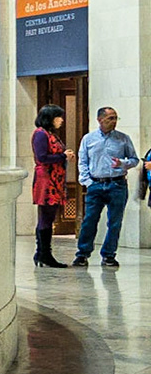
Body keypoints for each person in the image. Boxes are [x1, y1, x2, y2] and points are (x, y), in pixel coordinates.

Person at [74, 107, 139, 267]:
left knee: (115, 222)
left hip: (117, 184)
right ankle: (82, 254)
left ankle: (109, 254)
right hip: (96, 184)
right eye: (110, 118)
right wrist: (88, 182)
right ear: (100, 120)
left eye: (116, 118)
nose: (114, 121)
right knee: (90, 220)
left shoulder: (123, 139)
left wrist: (122, 163)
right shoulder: (88, 139)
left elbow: (134, 159)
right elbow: (82, 162)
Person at [31, 104, 68, 268]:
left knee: (49, 217)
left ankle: (42, 253)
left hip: (55, 179)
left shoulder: (51, 134)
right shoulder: (40, 134)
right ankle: (44, 253)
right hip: (46, 180)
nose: (61, 120)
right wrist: (62, 156)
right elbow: (42, 157)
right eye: (58, 117)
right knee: (46, 217)